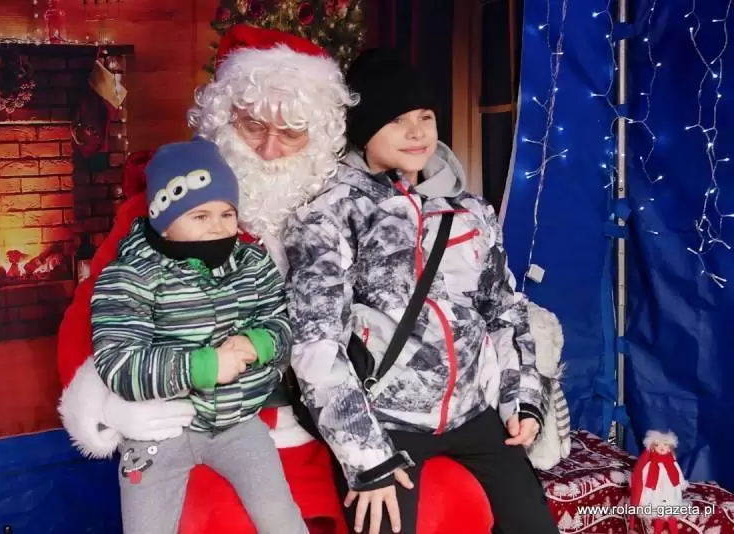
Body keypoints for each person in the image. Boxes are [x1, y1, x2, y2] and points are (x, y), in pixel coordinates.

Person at [57, 25, 497, 534]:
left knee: (446, 503)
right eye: (252, 126)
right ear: (222, 121)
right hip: (204, 420)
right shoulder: (166, 210)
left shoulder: (350, 209)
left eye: (291, 132)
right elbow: (97, 310)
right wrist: (110, 402)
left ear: (321, 136)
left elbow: (430, 298)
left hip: (333, 423)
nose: (269, 150)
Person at [283, 48, 560, 534]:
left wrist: (523, 401)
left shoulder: (470, 211)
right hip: (386, 420)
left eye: (425, 116)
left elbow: (503, 310)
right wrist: (365, 457)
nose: (416, 132)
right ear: (364, 127)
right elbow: (316, 343)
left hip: (473, 412)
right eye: (396, 120)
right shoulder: (330, 214)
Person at [89, 137, 307, 534]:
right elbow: (118, 361)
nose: (218, 227)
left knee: (281, 517)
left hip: (238, 422)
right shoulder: (130, 276)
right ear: (163, 220)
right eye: (200, 216)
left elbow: (283, 324)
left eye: (227, 213)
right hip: (162, 428)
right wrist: (201, 367)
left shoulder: (252, 263)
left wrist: (259, 343)